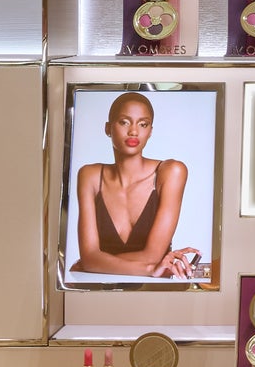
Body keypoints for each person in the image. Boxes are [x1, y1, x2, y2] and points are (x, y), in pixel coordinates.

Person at [73, 91, 200, 279]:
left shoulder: (171, 172)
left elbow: (152, 256)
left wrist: (91, 264)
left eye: (143, 124)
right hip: (102, 288)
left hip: (154, 290)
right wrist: (148, 269)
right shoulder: (90, 176)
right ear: (108, 128)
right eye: (124, 122)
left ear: (150, 131)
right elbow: (90, 258)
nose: (133, 131)